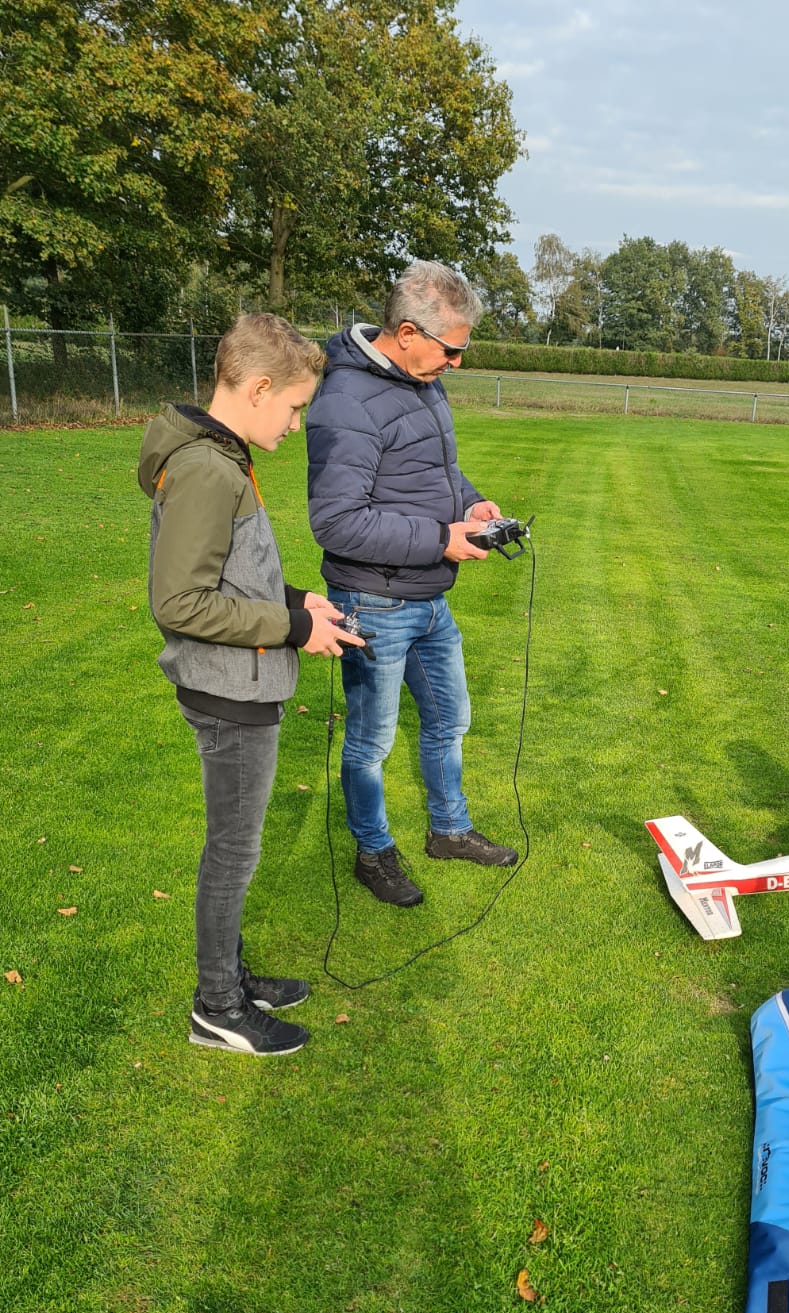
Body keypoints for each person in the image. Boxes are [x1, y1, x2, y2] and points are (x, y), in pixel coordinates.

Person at [140, 312, 364, 1056]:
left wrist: (297, 599)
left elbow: (233, 576)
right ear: (260, 387)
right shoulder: (208, 469)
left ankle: (229, 975)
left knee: (234, 848)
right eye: (296, 406)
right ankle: (217, 1007)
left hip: (242, 681)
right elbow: (179, 601)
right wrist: (295, 629)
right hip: (228, 692)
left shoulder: (220, 457)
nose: (299, 423)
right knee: (233, 852)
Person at [305, 260, 518, 910]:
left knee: (451, 719)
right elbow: (336, 522)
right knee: (371, 742)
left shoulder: (421, 381)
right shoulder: (345, 400)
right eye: (451, 349)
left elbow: (434, 475)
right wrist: (439, 540)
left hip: (428, 599)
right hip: (373, 601)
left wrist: (475, 507)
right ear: (406, 332)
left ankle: (449, 831)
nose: (456, 363)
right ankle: (374, 852)